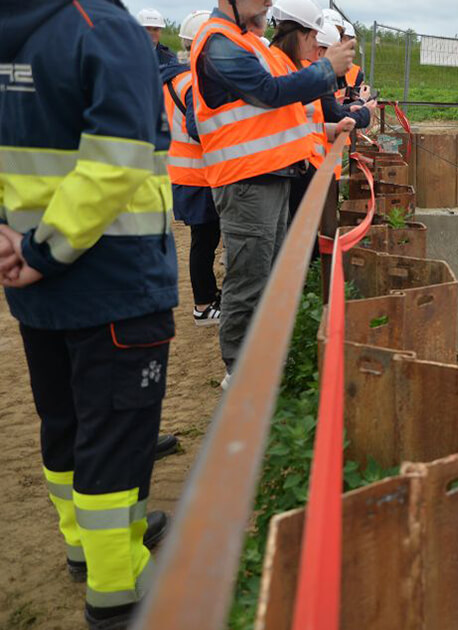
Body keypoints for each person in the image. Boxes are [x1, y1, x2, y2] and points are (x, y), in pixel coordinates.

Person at [0, 0, 179, 627]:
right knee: (117, 435)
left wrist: (15, 242)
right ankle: (116, 589)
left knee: (64, 418)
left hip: (32, 281)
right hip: (112, 280)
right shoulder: (102, 28)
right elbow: (116, 159)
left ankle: (84, 545)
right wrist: (44, 250)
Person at [191, 0, 355, 387]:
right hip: (247, 180)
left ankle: (260, 360)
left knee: (264, 274)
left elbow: (276, 112)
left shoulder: (244, 42)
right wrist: (326, 69)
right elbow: (269, 92)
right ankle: (240, 371)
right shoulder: (219, 42)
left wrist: (326, 128)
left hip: (267, 177)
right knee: (249, 279)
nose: (268, 2)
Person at [266, 0, 358, 222]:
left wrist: (332, 129)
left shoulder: (289, 64)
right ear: (299, 33)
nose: (316, 44)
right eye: (314, 36)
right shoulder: (278, 63)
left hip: (297, 165)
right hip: (282, 168)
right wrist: (327, 70)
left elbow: (299, 119)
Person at [162, 10, 222, 325]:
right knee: (204, 242)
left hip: (184, 172)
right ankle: (203, 305)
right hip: (199, 174)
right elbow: (198, 129)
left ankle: (208, 297)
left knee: (205, 239)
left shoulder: (171, 77)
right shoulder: (193, 82)